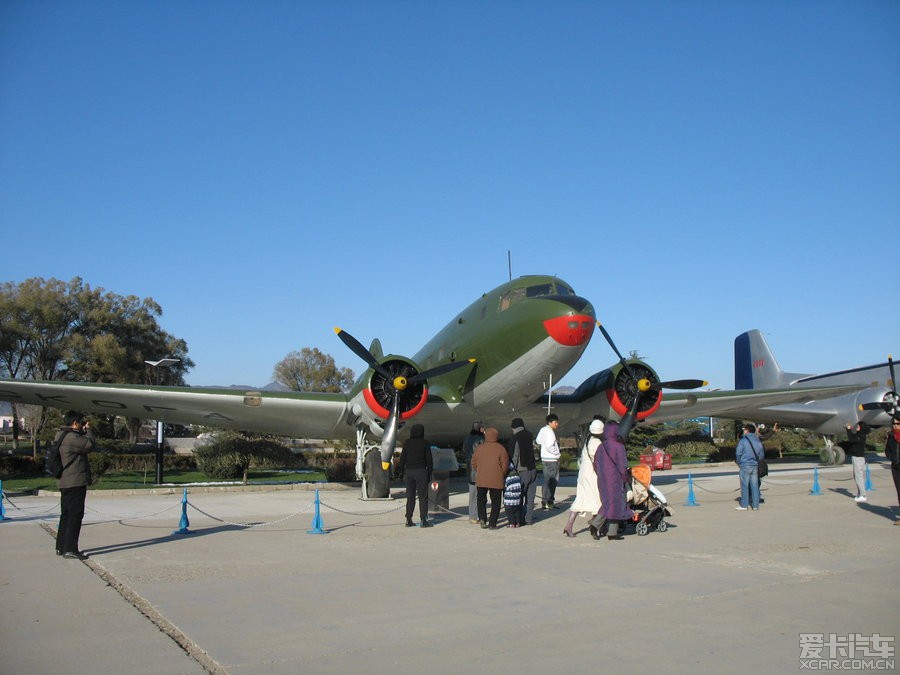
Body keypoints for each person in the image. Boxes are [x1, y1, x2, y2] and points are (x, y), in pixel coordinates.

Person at [55, 411, 95, 559]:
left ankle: (61, 546)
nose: (82, 425)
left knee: (65, 514)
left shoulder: (60, 435)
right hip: (75, 481)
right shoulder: (72, 438)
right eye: (80, 422)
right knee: (75, 515)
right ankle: (70, 548)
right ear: (74, 423)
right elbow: (89, 445)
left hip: (65, 481)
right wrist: (89, 431)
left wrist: (82, 431)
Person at [588, 420, 633, 540]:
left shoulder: (601, 447)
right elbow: (622, 465)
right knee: (615, 504)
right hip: (615, 479)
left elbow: (596, 464)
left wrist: (601, 474)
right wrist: (625, 478)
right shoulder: (619, 446)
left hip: (602, 479)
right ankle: (605, 529)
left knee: (608, 503)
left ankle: (608, 530)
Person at [563, 418, 604, 537]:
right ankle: (595, 526)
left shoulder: (588, 439)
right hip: (591, 473)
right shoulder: (597, 443)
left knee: (580, 498)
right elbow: (598, 461)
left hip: (583, 472)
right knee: (598, 499)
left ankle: (569, 525)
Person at [472, 427, 509, 529]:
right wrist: (502, 473)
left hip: (481, 479)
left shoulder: (480, 448)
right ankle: (492, 523)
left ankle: (483, 518)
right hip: (496, 479)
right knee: (496, 501)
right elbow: (505, 465)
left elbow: (473, 462)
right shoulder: (501, 448)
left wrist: (479, 470)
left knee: (481, 499)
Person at [397, 423, 434, 528]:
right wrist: (430, 472)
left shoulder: (407, 443)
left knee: (410, 497)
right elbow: (429, 459)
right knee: (423, 497)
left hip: (409, 472)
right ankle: (423, 520)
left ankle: (408, 519)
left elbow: (402, 458)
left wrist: (400, 472)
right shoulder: (425, 443)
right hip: (421, 471)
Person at [735, 422, 764, 511]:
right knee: (755, 486)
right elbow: (761, 455)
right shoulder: (758, 440)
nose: (744, 431)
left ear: (747, 430)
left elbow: (738, 453)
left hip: (745, 465)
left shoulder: (743, 440)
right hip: (755, 465)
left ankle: (744, 505)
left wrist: (739, 461)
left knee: (745, 486)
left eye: (744, 430)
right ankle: (755, 505)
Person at [536, 413, 561, 509]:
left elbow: (538, 441)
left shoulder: (543, 429)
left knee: (546, 481)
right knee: (553, 481)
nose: (557, 424)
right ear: (550, 422)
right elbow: (550, 445)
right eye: (555, 422)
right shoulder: (550, 432)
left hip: (545, 459)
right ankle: (549, 501)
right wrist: (557, 454)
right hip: (552, 460)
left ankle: (544, 501)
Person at [463, 421, 485, 524]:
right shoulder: (481, 439)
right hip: (479, 468)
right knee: (480, 495)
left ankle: (472, 516)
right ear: (480, 428)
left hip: (469, 468)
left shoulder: (467, 438)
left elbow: (464, 450)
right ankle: (481, 516)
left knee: (472, 494)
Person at [844, 421, 870, 503]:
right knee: (856, 476)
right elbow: (852, 436)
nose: (856, 427)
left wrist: (848, 430)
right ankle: (859, 493)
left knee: (859, 477)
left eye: (858, 426)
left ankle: (863, 495)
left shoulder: (861, 436)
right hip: (856, 457)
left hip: (859, 458)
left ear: (861, 427)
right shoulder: (858, 435)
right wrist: (848, 429)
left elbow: (851, 439)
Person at [884, 416, 900, 523]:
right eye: (894, 424)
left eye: (898, 424)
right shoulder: (891, 436)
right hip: (895, 467)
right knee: (899, 491)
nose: (895, 426)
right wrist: (891, 457)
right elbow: (887, 450)